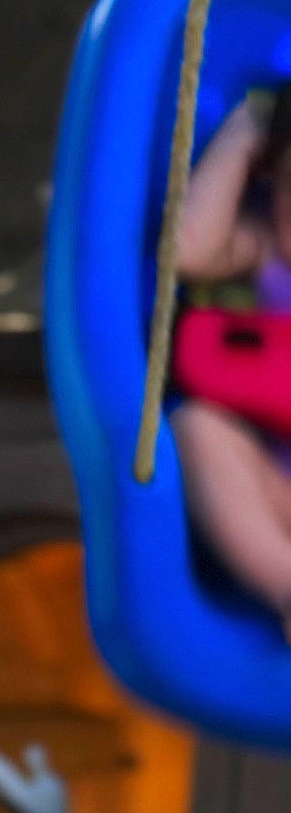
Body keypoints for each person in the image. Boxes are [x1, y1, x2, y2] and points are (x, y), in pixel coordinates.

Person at [173, 85, 291, 634]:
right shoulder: (268, 256)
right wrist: (249, 129)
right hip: (279, 494)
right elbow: (189, 250)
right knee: (199, 429)